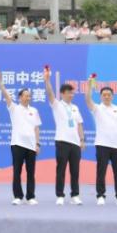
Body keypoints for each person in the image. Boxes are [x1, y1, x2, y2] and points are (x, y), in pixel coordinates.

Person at [0, 71, 41, 205]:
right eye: (26, 96)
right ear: (20, 97)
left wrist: (37, 144)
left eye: (29, 96)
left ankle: (30, 196)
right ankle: (17, 196)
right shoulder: (14, 108)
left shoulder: (34, 111)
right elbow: (6, 95)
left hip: (31, 145)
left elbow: (36, 128)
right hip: (17, 144)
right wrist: (0, 82)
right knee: (17, 171)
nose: (28, 98)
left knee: (31, 172)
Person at [44, 66, 85, 205]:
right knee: (61, 169)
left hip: (75, 143)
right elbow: (50, 94)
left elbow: (79, 124)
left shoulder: (75, 108)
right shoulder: (57, 105)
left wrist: (82, 140)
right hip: (62, 141)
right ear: (62, 94)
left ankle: (75, 195)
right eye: (68, 93)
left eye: (72, 93)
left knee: (75, 171)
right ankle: (60, 195)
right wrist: (47, 80)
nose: (71, 95)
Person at [85, 78, 117, 206]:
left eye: (109, 95)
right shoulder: (97, 108)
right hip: (102, 144)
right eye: (104, 95)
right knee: (101, 171)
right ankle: (100, 195)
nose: (107, 97)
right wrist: (89, 86)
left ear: (112, 96)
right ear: (101, 96)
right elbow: (88, 100)